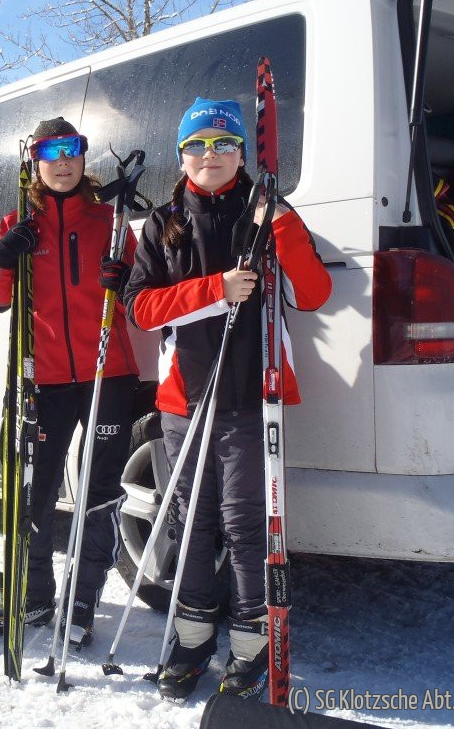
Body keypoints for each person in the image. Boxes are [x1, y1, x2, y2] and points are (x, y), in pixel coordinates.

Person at [123, 97, 331, 699]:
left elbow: (314, 294)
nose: (209, 155)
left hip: (251, 397)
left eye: (223, 143)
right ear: (181, 155)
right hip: (184, 399)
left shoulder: (268, 212)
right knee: (190, 522)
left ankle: (250, 644)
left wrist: (280, 223)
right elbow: (140, 309)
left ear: (242, 153)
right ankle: (191, 639)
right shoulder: (163, 223)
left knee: (245, 524)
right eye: (196, 145)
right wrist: (216, 290)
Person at [0, 117, 140, 648]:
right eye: (51, 152)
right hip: (42, 380)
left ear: (83, 156)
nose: (63, 162)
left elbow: (141, 300)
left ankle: (83, 599)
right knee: (35, 492)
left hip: (107, 374)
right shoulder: (17, 222)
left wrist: (124, 281)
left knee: (99, 492)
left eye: (72, 150)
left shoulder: (111, 223)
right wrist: (3, 258)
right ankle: (35, 595)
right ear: (35, 162)